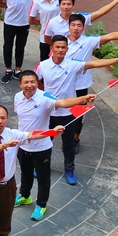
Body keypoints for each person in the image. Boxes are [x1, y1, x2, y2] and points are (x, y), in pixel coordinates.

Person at [36, 36, 118, 186]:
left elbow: (94, 63)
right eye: (57, 47)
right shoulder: (42, 66)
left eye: (63, 47)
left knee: (69, 145)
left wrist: (117, 60)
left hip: (69, 114)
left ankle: (69, 170)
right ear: (51, 48)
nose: (60, 50)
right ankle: (40, 166)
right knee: (44, 143)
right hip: (48, 113)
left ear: (67, 49)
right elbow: (33, 82)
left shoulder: (73, 65)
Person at [0, 105, 62, 236]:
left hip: (8, 182)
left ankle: (3, 235)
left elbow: (32, 135)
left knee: (7, 210)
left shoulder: (13, 135)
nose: (0, 121)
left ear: (7, 119)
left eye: (3, 118)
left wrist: (52, 131)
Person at [13, 70, 96, 221]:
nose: (30, 85)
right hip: (23, 144)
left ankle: (41, 205)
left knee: (43, 178)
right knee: (25, 173)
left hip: (41, 147)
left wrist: (82, 98)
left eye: (33, 82)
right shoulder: (18, 97)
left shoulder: (45, 97)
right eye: (26, 82)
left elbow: (62, 103)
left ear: (37, 83)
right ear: (20, 84)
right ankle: (25, 196)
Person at [66, 16, 118, 152]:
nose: (76, 28)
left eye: (79, 25)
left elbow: (110, 36)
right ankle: (62, 135)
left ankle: (75, 138)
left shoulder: (88, 42)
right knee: (62, 111)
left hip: (81, 85)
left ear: (83, 27)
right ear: (68, 26)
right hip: (64, 84)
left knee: (78, 114)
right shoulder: (62, 43)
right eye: (73, 25)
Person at [0, 0, 72, 83]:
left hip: (24, 23)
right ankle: (8, 70)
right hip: (10, 22)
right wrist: (10, 6)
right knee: (7, 46)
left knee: (20, 46)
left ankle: (18, 70)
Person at [29, 0, 111, 61]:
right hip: (48, 38)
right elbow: (31, 20)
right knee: (47, 63)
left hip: (66, 38)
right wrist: (44, 23)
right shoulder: (37, 2)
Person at [43, 0, 118, 45]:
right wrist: (59, 48)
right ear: (59, 5)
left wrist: (115, 2)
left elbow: (99, 13)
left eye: (69, 4)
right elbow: (47, 39)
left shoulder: (81, 18)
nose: (66, 7)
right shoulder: (52, 22)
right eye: (63, 4)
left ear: (73, 6)